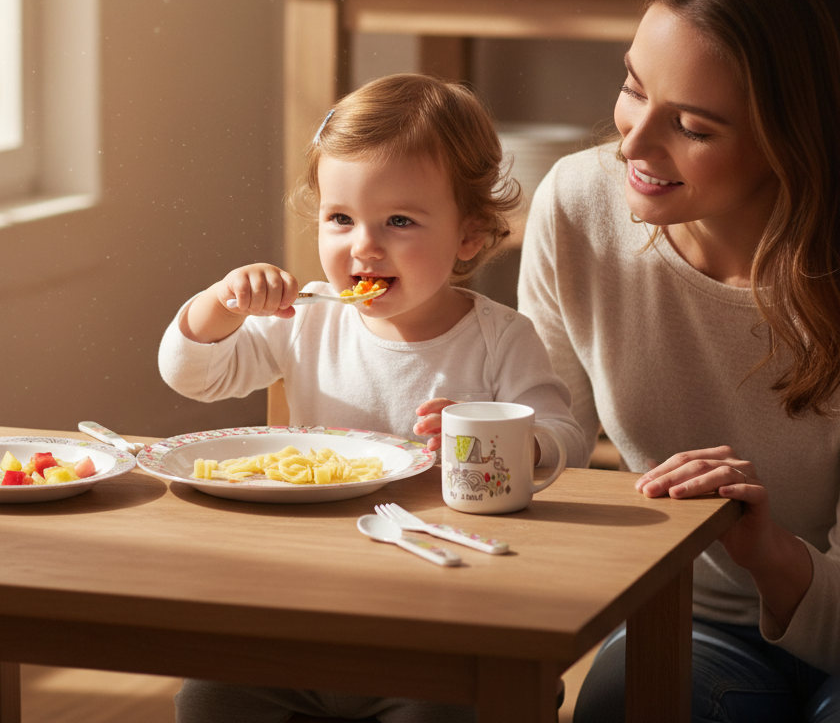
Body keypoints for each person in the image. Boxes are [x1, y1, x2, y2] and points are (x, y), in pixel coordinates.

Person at [159, 72, 588, 723]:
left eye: (399, 220)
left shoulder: (501, 339)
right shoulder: (303, 320)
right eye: (340, 219)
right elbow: (192, 374)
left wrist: (506, 438)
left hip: (453, 625)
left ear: (469, 235)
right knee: (207, 698)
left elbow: (566, 438)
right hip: (313, 617)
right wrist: (219, 304)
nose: (365, 244)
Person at [514, 0, 840, 722]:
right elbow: (538, 442)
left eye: (692, 126)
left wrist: (770, 556)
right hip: (691, 620)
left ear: (794, 142)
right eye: (633, 87)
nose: (631, 141)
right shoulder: (578, 207)